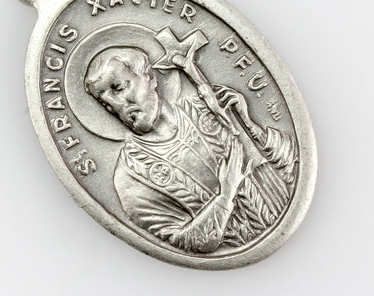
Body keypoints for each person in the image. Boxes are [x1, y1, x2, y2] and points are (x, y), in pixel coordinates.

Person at [84, 46, 297, 253]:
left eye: (118, 88)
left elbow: (292, 164)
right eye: (106, 104)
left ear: (150, 78)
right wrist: (225, 195)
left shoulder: (210, 107)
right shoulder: (131, 175)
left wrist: (249, 125)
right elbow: (183, 243)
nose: (117, 106)